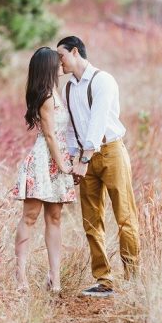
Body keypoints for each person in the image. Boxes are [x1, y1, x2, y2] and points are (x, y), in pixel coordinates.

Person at [57, 35, 141, 298]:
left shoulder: (102, 80)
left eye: (61, 55)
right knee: (91, 220)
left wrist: (84, 158)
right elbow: (71, 128)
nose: (58, 62)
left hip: (111, 151)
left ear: (74, 51)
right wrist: (73, 159)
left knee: (124, 216)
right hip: (84, 157)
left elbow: (97, 120)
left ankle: (132, 279)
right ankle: (104, 280)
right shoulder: (68, 88)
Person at [13, 47, 76, 294]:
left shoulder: (56, 92)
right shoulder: (47, 96)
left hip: (57, 157)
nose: (61, 63)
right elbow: (49, 134)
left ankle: (55, 278)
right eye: (56, 61)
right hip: (44, 160)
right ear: (48, 67)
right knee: (30, 216)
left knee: (55, 218)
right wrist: (62, 164)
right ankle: (21, 278)